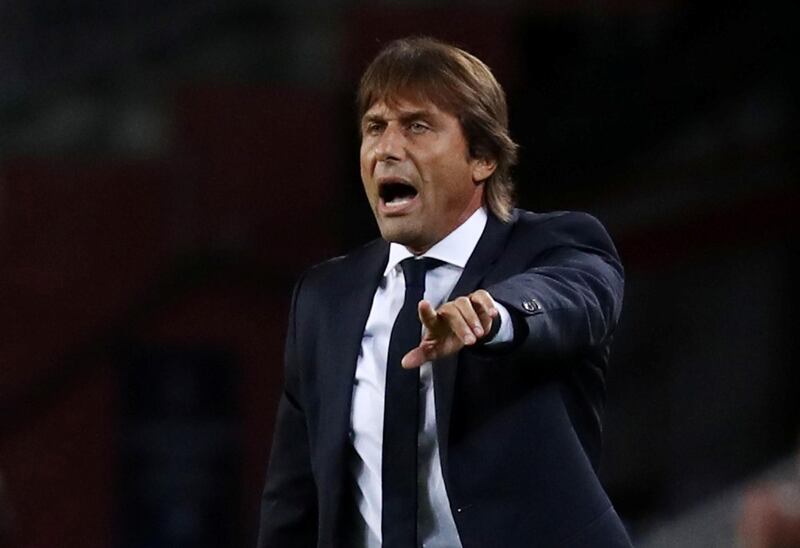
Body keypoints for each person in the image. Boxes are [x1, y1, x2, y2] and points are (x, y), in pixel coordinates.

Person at [257, 36, 632, 548]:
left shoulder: (556, 246)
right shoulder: (325, 297)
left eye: (416, 126)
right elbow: (293, 500)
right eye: (374, 128)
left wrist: (493, 316)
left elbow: (576, 300)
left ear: (482, 157)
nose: (387, 149)